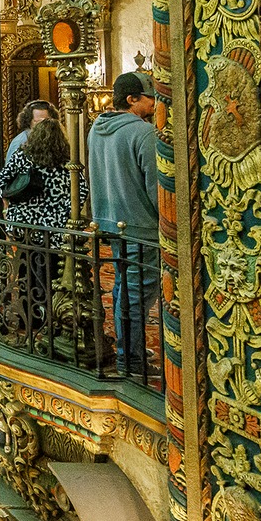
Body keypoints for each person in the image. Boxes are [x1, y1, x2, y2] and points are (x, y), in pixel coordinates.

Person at [89, 71, 161, 376]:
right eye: (149, 97)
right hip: (140, 226)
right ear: (132, 99)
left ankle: (127, 350)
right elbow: (157, 188)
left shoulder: (97, 128)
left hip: (109, 222)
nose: (155, 103)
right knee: (135, 296)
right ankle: (130, 361)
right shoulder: (143, 133)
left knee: (122, 290)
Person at [0, 100, 81, 229]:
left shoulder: (60, 150)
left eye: (46, 121)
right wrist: (7, 209)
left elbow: (79, 186)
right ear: (29, 121)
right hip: (27, 217)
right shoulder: (21, 145)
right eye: (38, 122)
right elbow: (5, 181)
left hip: (52, 220)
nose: (43, 125)